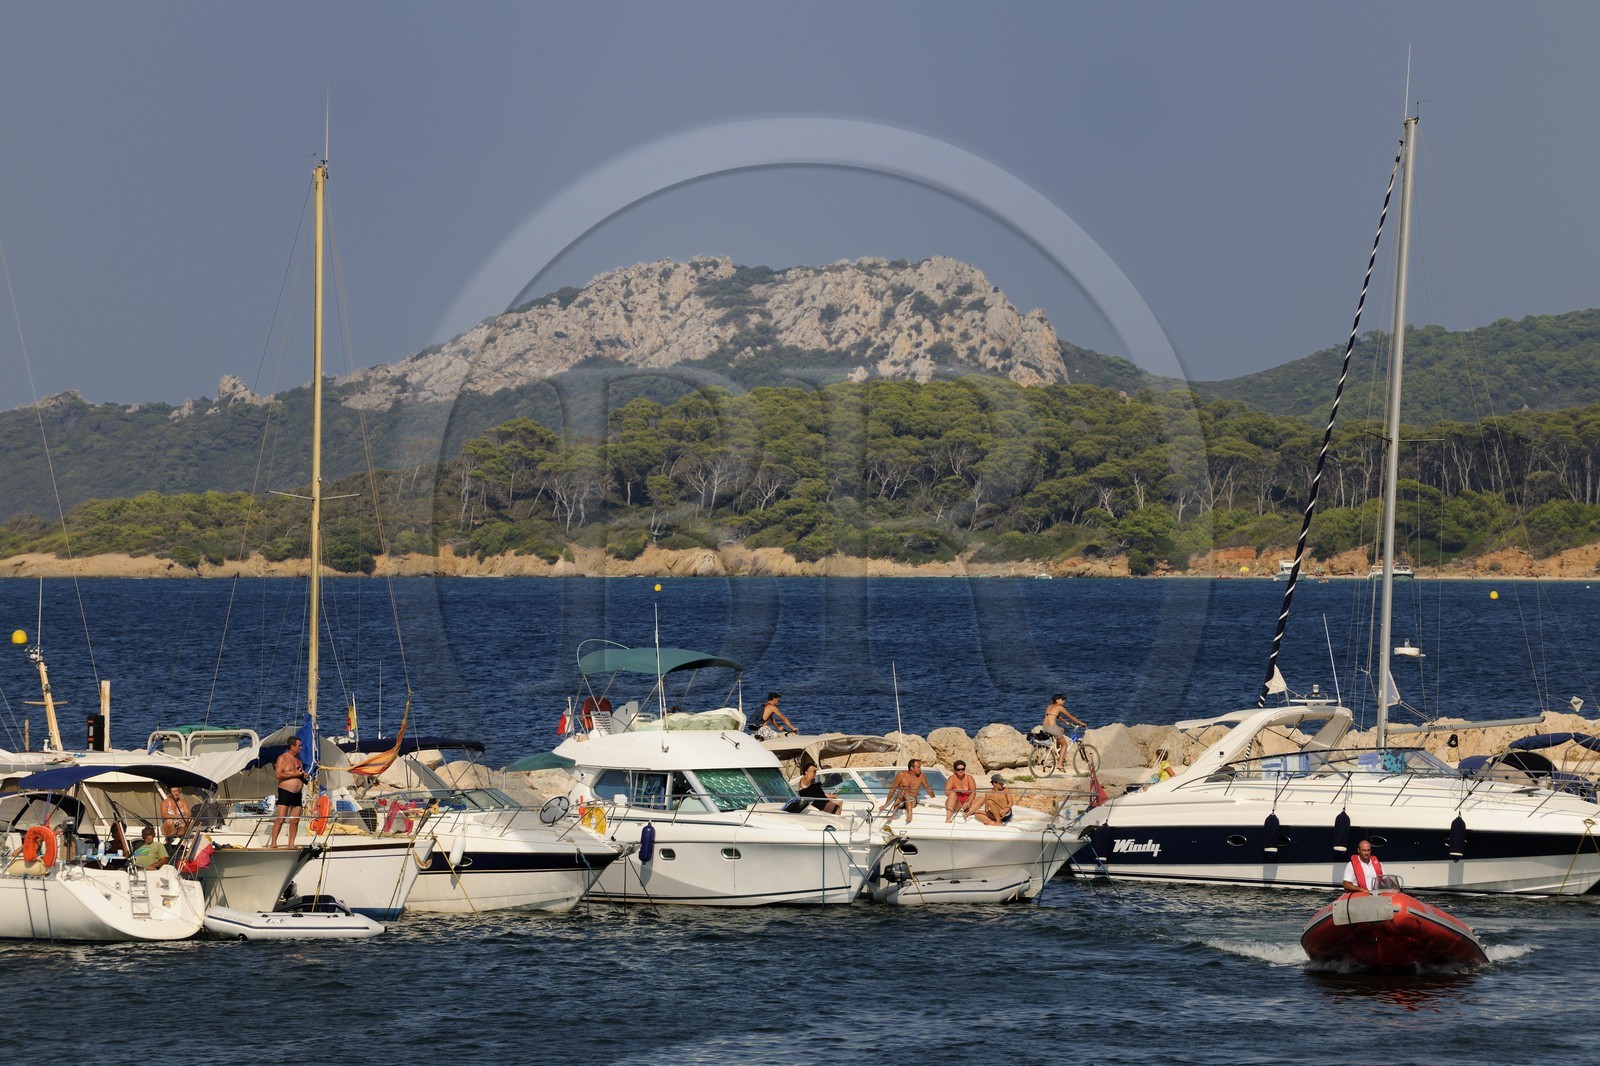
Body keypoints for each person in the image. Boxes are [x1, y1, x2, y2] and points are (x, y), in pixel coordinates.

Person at [269, 736, 312, 848]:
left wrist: (303, 775)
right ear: (292, 746)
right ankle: (273, 843)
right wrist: (295, 774)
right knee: (281, 819)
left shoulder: (298, 760)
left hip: (297, 793)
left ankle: (291, 843)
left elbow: (299, 774)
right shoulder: (282, 758)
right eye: (299, 746)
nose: (301, 748)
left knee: (295, 820)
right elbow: (278, 775)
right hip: (285, 791)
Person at [1041, 694, 1086, 771]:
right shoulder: (1060, 707)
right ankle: (1059, 765)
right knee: (1065, 745)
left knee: (1061, 729)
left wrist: (1065, 722)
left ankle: (1058, 752)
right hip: (1052, 728)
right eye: (1062, 699)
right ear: (1057, 700)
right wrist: (1081, 724)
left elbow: (1056, 716)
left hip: (1045, 727)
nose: (1064, 701)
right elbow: (1071, 717)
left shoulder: (1049, 706)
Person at [881, 759, 934, 823]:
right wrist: (886, 804)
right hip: (900, 798)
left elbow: (927, 787)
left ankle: (909, 816)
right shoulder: (901, 775)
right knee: (902, 793)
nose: (920, 769)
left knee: (907, 795)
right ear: (912, 768)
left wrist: (934, 798)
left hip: (912, 800)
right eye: (918, 767)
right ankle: (893, 815)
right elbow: (893, 789)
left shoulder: (921, 776)